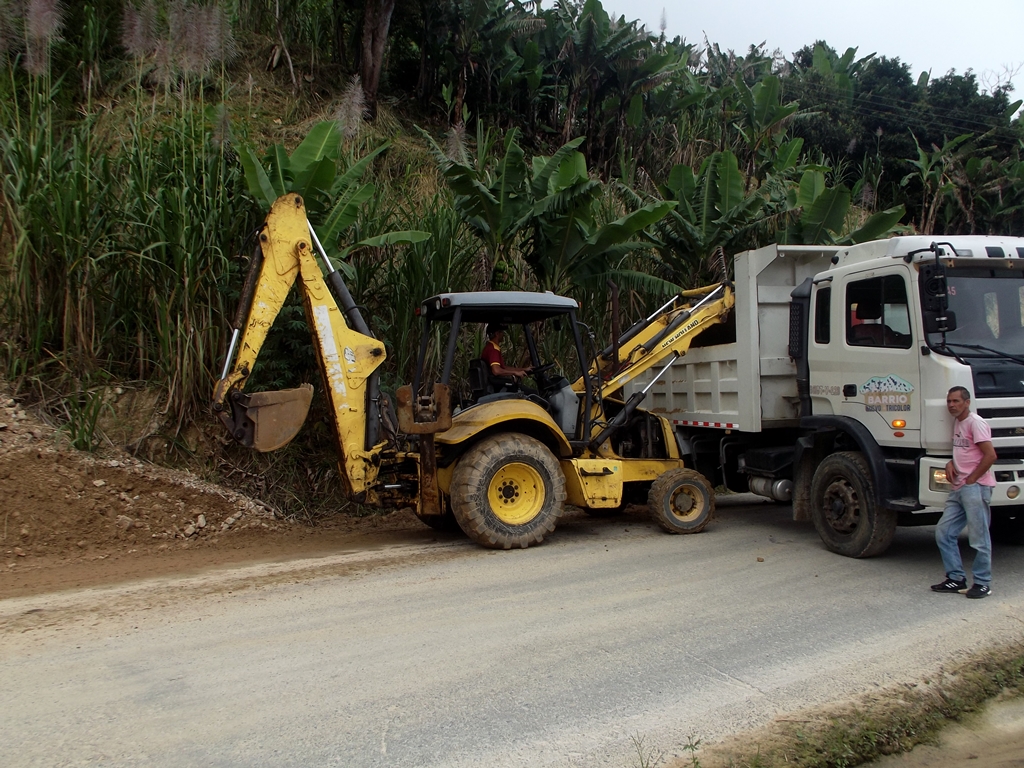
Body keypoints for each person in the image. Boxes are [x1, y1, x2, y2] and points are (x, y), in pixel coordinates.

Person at [931, 386, 997, 599]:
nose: (951, 405)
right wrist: (951, 463)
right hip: (958, 488)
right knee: (944, 532)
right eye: (949, 401)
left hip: (974, 488)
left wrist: (972, 479)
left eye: (956, 401)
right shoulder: (958, 423)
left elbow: (990, 455)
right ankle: (956, 578)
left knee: (979, 537)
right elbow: (966, 451)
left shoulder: (975, 423)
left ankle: (982, 583)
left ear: (967, 402)